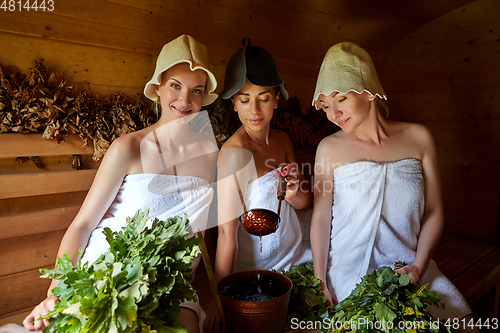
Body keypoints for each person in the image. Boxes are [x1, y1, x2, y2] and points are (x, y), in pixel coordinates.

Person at [23, 34, 219, 333]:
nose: (185, 100)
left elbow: (200, 234)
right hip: (107, 272)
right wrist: (55, 293)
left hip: (170, 286)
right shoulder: (128, 147)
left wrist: (217, 299)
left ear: (205, 97)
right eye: (175, 86)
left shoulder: (211, 153)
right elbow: (83, 225)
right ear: (157, 88)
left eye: (196, 90)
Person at [310, 42, 477, 330]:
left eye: (341, 99)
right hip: (350, 270)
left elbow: (435, 211)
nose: (332, 114)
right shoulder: (329, 149)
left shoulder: (418, 137)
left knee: (467, 326)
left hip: (409, 266)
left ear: (369, 92)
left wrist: (419, 267)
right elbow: (322, 217)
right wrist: (320, 282)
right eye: (325, 105)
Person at [204, 39, 312, 333]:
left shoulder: (282, 140)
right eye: (244, 98)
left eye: (263, 98)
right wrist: (219, 301)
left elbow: (303, 203)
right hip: (258, 267)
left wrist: (293, 190)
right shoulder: (234, 154)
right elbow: (226, 234)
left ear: (277, 99)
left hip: (295, 251)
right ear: (233, 102)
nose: (254, 109)